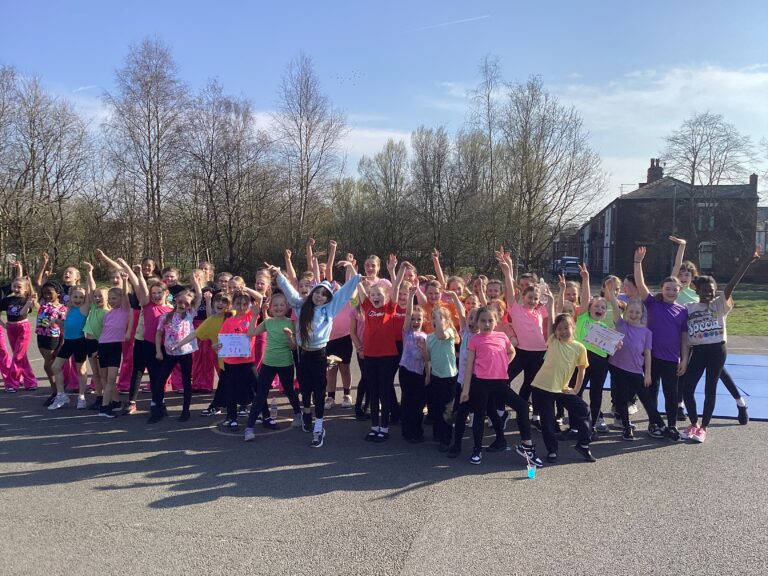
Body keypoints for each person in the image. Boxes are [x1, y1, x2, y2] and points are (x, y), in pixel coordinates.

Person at [274, 259, 361, 448]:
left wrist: (353, 272)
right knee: (305, 389)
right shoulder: (301, 306)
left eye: (324, 294)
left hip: (320, 354)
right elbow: (289, 291)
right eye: (317, 292)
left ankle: (319, 427)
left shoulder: (330, 309)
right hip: (303, 353)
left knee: (320, 390)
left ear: (328, 297)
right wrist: (279, 275)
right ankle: (306, 413)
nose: (319, 296)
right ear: (312, 293)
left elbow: (346, 291)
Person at [680, 248, 761, 443]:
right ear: (696, 291)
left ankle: (704, 428)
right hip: (698, 350)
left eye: (712, 290)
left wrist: (747, 262)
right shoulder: (689, 308)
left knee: (710, 388)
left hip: (717, 350)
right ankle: (693, 423)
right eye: (705, 290)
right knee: (687, 388)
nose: (709, 293)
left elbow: (732, 285)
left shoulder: (719, 305)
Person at [669, 235, 750, 424]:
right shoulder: (683, 298)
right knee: (684, 375)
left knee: (719, 377)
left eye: (687, 275)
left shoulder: (711, 301)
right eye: (681, 274)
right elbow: (674, 272)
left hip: (715, 347)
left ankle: (740, 402)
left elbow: (729, 288)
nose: (683, 277)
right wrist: (682, 247)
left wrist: (746, 263)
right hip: (693, 344)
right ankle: (682, 407)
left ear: (693, 279)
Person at [457, 306, 543, 467]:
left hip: (499, 383)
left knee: (522, 406)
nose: (486, 324)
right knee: (479, 415)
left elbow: (511, 352)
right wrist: (466, 389)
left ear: (496, 322)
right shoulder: (475, 339)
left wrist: (503, 365)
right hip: (480, 383)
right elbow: (469, 365)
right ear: (477, 322)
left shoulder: (502, 336)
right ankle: (477, 450)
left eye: (490, 320)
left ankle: (527, 446)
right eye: (483, 321)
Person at [634, 246, 688, 439]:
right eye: (668, 289)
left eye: (674, 289)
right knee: (652, 392)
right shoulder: (653, 303)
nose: (671, 292)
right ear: (662, 289)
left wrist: (684, 360)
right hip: (651, 358)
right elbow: (640, 284)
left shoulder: (683, 311)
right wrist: (638, 262)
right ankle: (654, 423)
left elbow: (684, 338)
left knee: (671, 394)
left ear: (679, 291)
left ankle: (672, 425)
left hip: (672, 360)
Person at [530, 310, 596, 464]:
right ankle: (552, 450)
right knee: (548, 421)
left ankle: (583, 444)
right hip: (542, 387)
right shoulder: (553, 341)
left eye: (567, 327)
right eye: (559, 329)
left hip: (561, 389)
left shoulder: (579, 348)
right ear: (555, 332)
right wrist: (551, 303)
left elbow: (582, 370)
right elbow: (550, 321)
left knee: (584, 410)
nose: (563, 331)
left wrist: (576, 390)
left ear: (573, 328)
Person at [605, 290, 667, 440]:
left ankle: (662, 425)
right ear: (626, 312)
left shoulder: (646, 333)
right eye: (631, 312)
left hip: (635, 370)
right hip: (617, 367)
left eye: (637, 312)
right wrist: (611, 294)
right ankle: (626, 428)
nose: (633, 314)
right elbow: (615, 306)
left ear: (642, 314)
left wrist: (648, 374)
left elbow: (647, 354)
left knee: (646, 399)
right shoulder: (621, 324)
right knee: (621, 399)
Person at [358, 262, 408, 442]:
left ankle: (384, 428)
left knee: (384, 393)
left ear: (386, 297)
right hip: (370, 356)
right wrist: (352, 270)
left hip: (387, 356)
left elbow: (396, 287)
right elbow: (359, 287)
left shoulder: (389, 308)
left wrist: (399, 270)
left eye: (379, 294)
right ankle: (374, 427)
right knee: (373, 392)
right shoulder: (367, 307)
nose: (375, 297)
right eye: (372, 295)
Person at [243, 292, 303, 441]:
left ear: (287, 307)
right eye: (275, 305)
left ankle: (298, 414)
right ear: (270, 308)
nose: (278, 307)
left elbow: (293, 347)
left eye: (282, 305)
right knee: (260, 395)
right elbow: (250, 333)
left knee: (289, 390)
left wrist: (289, 337)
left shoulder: (291, 322)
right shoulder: (268, 322)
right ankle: (249, 428)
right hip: (268, 364)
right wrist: (254, 316)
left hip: (285, 363)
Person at [118, 259, 172, 420]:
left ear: (166, 293)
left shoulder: (171, 309)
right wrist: (135, 271)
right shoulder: (147, 304)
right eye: (153, 292)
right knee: (138, 371)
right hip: (144, 341)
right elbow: (137, 284)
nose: (156, 295)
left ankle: (159, 402)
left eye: (159, 293)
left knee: (158, 375)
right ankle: (132, 402)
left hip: (162, 345)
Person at [156, 279, 203, 423]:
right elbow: (159, 333)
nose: (183, 305)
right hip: (170, 353)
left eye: (186, 303)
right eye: (180, 302)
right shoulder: (166, 316)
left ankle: (185, 411)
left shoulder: (190, 314)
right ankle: (158, 409)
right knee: (160, 381)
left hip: (185, 353)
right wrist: (158, 351)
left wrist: (196, 282)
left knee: (186, 382)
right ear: (176, 301)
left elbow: (199, 296)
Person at [48, 283, 90, 410]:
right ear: (70, 297)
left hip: (79, 342)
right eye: (75, 297)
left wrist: (89, 274)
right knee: (55, 367)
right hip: (68, 342)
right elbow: (67, 325)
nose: (78, 299)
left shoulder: (84, 308)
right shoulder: (69, 309)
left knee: (81, 370)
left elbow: (90, 291)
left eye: (81, 297)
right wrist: (57, 321)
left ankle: (81, 397)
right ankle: (61, 395)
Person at [423, 306, 458, 451]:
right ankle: (438, 434)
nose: (435, 320)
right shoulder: (429, 337)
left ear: (447, 321)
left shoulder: (449, 332)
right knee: (436, 407)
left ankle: (446, 439)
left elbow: (441, 335)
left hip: (449, 377)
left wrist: (438, 316)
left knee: (446, 409)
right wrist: (422, 350)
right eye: (433, 318)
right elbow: (427, 358)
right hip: (436, 376)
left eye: (439, 318)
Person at [96, 275, 132, 418]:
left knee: (111, 379)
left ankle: (104, 408)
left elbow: (126, 295)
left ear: (121, 299)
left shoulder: (125, 310)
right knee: (104, 377)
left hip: (115, 346)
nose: (111, 301)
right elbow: (104, 332)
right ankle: (115, 402)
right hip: (103, 345)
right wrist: (97, 349)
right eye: (109, 299)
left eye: (114, 298)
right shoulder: (108, 314)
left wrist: (124, 281)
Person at [397, 284, 428, 443]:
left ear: (423, 320)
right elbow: (408, 313)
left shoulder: (425, 336)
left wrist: (424, 350)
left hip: (419, 372)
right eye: (414, 319)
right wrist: (411, 296)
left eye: (419, 319)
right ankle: (407, 431)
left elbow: (427, 359)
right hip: (406, 370)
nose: (415, 321)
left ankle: (417, 431)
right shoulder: (407, 332)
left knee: (418, 403)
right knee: (407, 401)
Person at [0, 273, 38, 392]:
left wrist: (29, 301)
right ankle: (30, 381)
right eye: (14, 286)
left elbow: (22, 313)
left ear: (25, 288)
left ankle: (12, 383)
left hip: (23, 328)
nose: (16, 289)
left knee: (18, 356)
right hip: (11, 328)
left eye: (19, 287)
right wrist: (3, 324)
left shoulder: (26, 300)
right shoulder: (7, 300)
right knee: (21, 356)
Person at [35, 281, 66, 406]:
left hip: (53, 337)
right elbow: (36, 286)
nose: (46, 295)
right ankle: (55, 390)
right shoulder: (43, 305)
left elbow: (63, 327)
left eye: (50, 292)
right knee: (48, 364)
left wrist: (62, 342)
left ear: (58, 293)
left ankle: (57, 391)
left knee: (49, 364)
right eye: (44, 293)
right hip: (41, 335)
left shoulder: (62, 308)